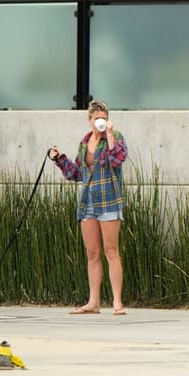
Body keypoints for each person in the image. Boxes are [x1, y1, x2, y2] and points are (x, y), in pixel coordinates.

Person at [48, 99, 128, 315]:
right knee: (92, 252)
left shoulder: (115, 138)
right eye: (96, 118)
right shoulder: (84, 143)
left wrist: (110, 135)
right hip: (88, 202)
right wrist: (59, 159)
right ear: (89, 120)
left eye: (104, 117)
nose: (100, 121)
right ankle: (93, 302)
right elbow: (77, 173)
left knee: (112, 251)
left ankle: (117, 302)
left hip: (109, 200)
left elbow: (118, 159)